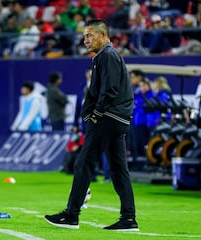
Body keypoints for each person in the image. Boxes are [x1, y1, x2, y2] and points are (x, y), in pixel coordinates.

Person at [45, 19, 138, 231]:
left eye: (90, 35)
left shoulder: (108, 55)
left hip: (108, 118)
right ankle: (129, 219)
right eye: (84, 36)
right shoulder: (103, 56)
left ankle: (71, 215)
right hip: (115, 119)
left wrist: (95, 114)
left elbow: (109, 89)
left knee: (84, 164)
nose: (86, 40)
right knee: (118, 170)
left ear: (103, 35)